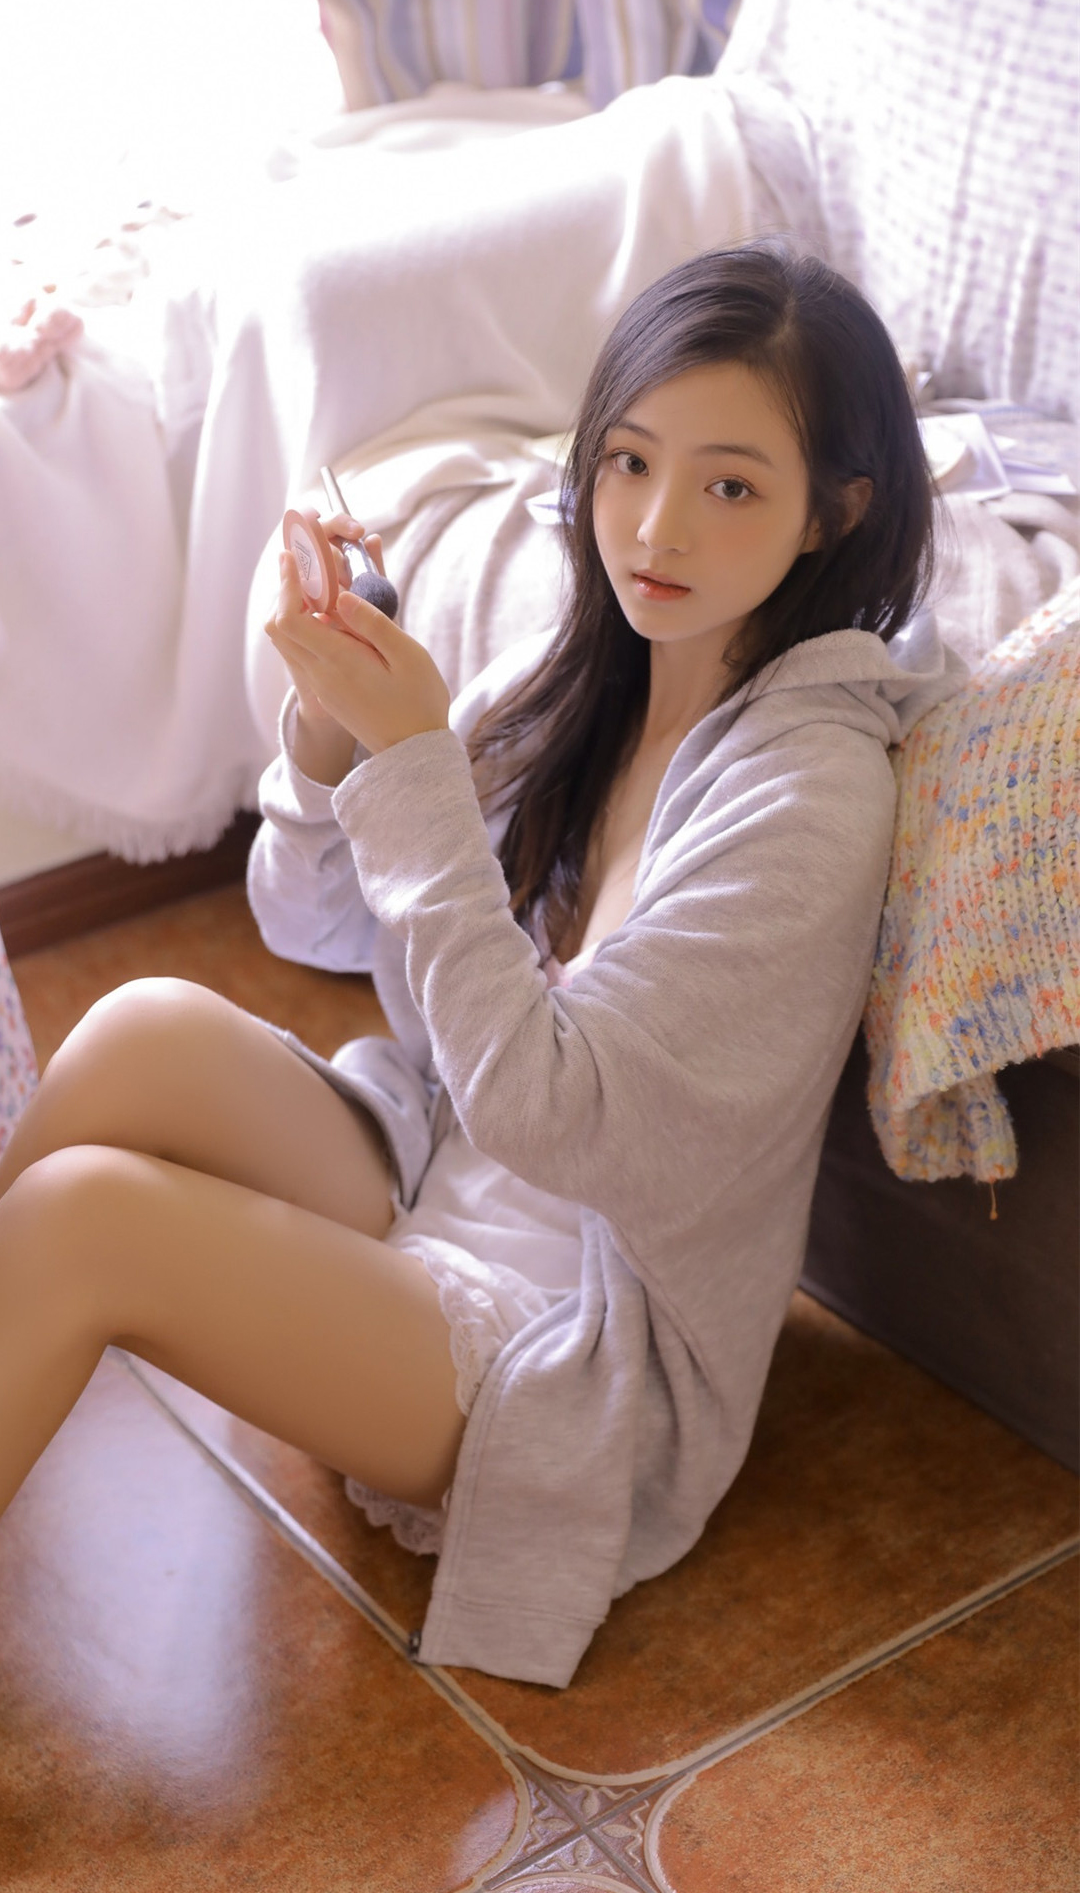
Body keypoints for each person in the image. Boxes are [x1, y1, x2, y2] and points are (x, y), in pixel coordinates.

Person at [0, 244, 964, 1687]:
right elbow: (314, 927)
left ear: (837, 512)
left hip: (563, 1339)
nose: (657, 526)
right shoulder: (576, 683)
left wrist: (411, 769)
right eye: (628, 461)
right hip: (438, 1170)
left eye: (731, 487)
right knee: (143, 1025)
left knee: (93, 1219)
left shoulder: (809, 802)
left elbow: (544, 1117)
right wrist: (329, 741)